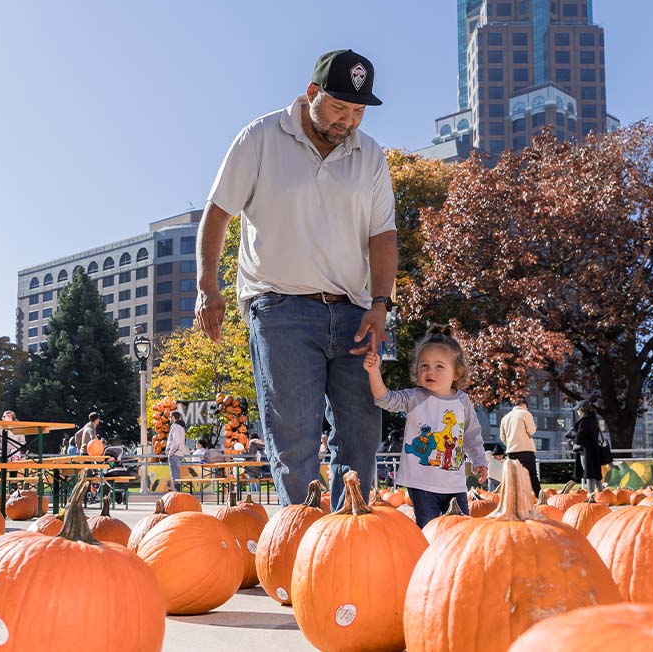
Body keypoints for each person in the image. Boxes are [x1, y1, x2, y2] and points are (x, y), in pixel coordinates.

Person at [196, 49, 397, 509]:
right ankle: (302, 537)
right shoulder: (261, 137)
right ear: (312, 93)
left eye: (358, 111)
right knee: (294, 438)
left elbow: (383, 236)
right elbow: (218, 213)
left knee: (361, 435)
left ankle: (350, 538)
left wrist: (381, 302)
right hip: (280, 309)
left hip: (354, 312)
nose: (349, 120)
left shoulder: (370, 156)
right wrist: (209, 288)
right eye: (339, 107)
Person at [364, 325, 488, 528]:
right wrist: (373, 372)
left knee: (460, 530)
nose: (430, 371)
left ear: (456, 373)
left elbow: (472, 435)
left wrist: (479, 460)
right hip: (422, 484)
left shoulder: (462, 401)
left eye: (439, 366)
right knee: (429, 530)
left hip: (454, 484)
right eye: (424, 366)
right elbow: (384, 398)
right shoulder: (414, 398)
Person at [500, 398, 540, 497]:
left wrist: (510, 444)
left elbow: (502, 437)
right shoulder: (525, 414)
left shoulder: (505, 418)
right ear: (525, 406)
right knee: (532, 476)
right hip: (526, 450)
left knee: (513, 478)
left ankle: (514, 501)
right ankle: (539, 498)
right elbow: (531, 431)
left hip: (511, 451)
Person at [568, 405, 607, 492]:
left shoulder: (584, 421)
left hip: (586, 450)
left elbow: (580, 437)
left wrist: (573, 436)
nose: (578, 412)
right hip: (595, 449)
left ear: (581, 410)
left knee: (588, 472)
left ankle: (591, 493)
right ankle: (601, 493)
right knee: (596, 472)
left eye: (578, 410)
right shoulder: (594, 419)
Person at [166, 411, 188, 491]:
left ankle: (176, 493)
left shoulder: (175, 427)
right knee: (177, 475)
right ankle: (177, 492)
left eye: (170, 417)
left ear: (173, 417)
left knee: (174, 475)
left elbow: (176, 441)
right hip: (179, 453)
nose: (169, 419)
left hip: (174, 454)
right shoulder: (181, 427)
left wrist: (170, 452)